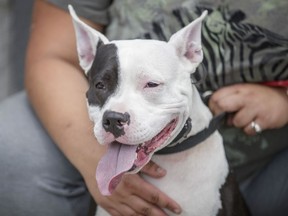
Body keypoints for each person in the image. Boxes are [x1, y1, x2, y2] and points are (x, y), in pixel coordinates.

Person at [0, 0, 287, 216]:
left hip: (270, 157)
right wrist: (92, 160)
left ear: (191, 51)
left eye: (150, 85)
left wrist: (284, 98)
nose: (118, 112)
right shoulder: (93, 59)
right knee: (10, 148)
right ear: (87, 55)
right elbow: (52, 55)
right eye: (104, 86)